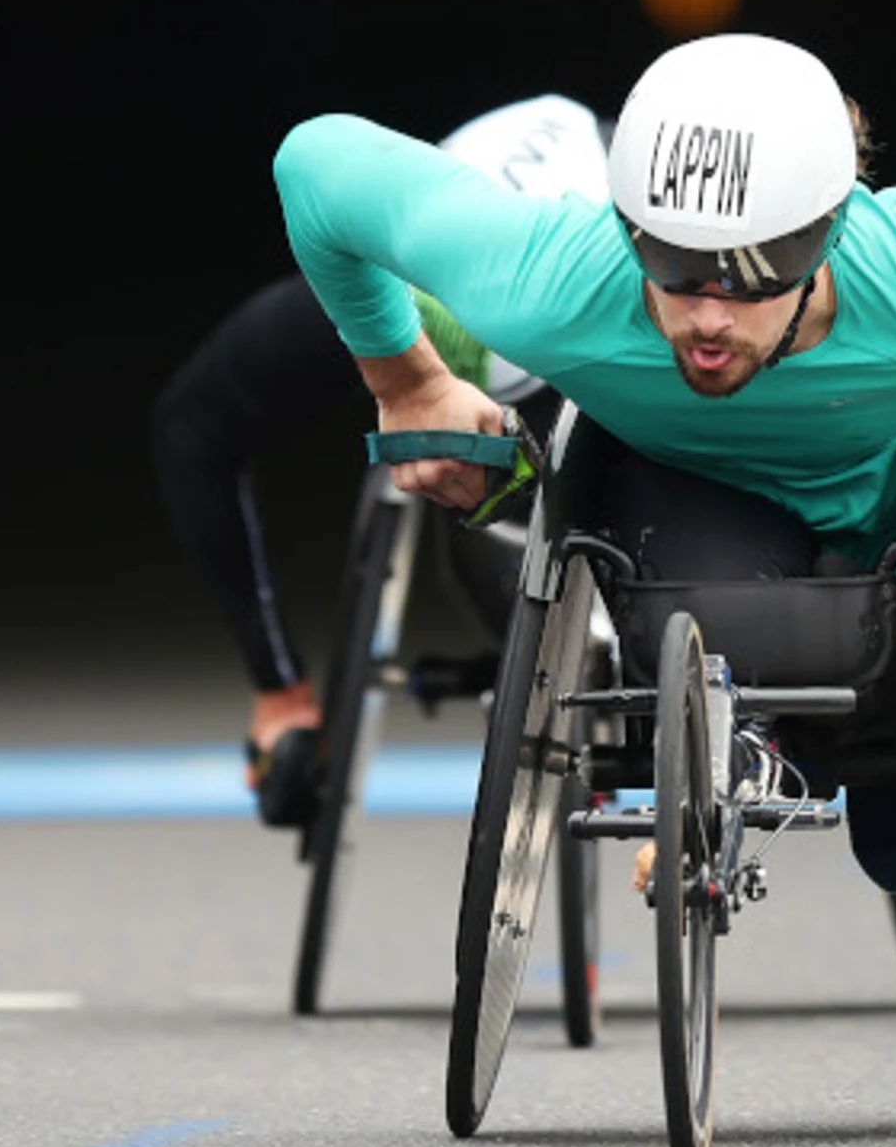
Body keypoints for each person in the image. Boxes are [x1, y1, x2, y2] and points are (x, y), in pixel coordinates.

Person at [275, 33, 896, 893]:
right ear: (629, 228)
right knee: (715, 599)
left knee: (889, 584)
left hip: (892, 505)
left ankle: (890, 726)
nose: (705, 317)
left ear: (828, 232)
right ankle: (773, 739)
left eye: (749, 281)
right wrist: (406, 381)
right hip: (681, 506)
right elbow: (315, 163)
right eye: (674, 268)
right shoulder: (551, 275)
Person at [150, 93, 610, 820]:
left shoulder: (607, 280)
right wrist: (279, 690)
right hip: (454, 266)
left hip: (585, 277)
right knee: (485, 528)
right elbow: (192, 431)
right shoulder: (365, 302)